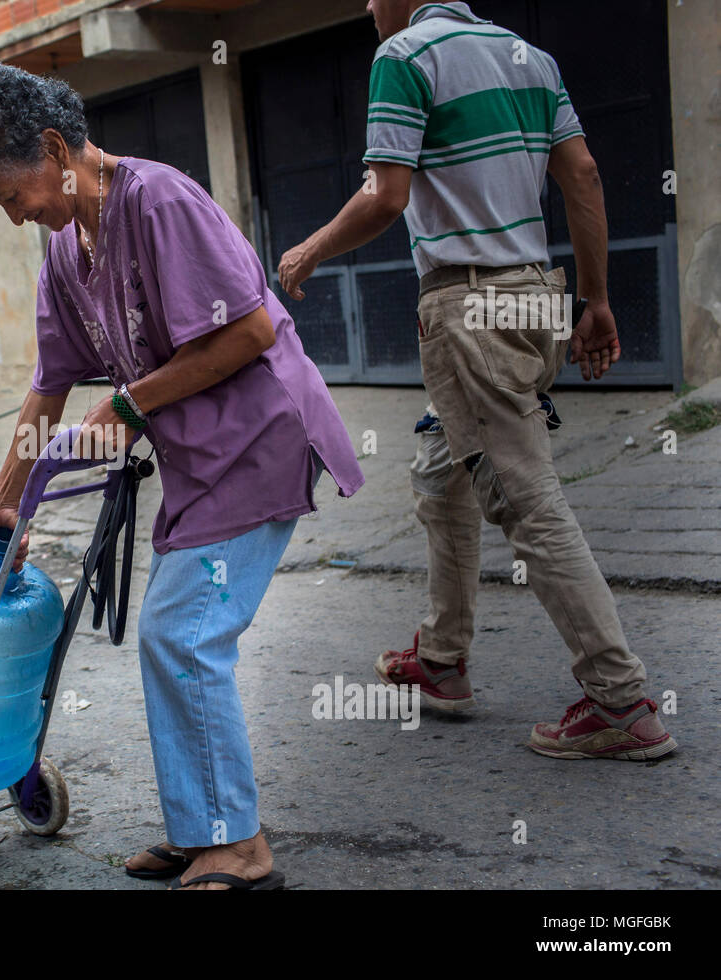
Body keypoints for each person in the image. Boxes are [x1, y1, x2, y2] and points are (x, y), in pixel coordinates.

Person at [0, 63, 365, 889]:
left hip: (259, 437)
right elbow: (49, 385)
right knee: (177, 635)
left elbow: (248, 330)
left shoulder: (160, 200)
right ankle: (205, 825)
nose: (17, 215)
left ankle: (236, 845)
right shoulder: (67, 249)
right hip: (198, 458)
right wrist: (3, 501)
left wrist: (127, 407)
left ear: (56, 150)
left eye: (11, 196)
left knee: (183, 632)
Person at [278, 0, 675, 760]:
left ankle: (619, 698)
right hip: (534, 295)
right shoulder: (529, 56)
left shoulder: (403, 55)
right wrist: (596, 300)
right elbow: (583, 176)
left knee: (526, 497)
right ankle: (440, 657)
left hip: (469, 307)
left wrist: (310, 251)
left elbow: (385, 194)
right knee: (440, 468)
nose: (366, 6)